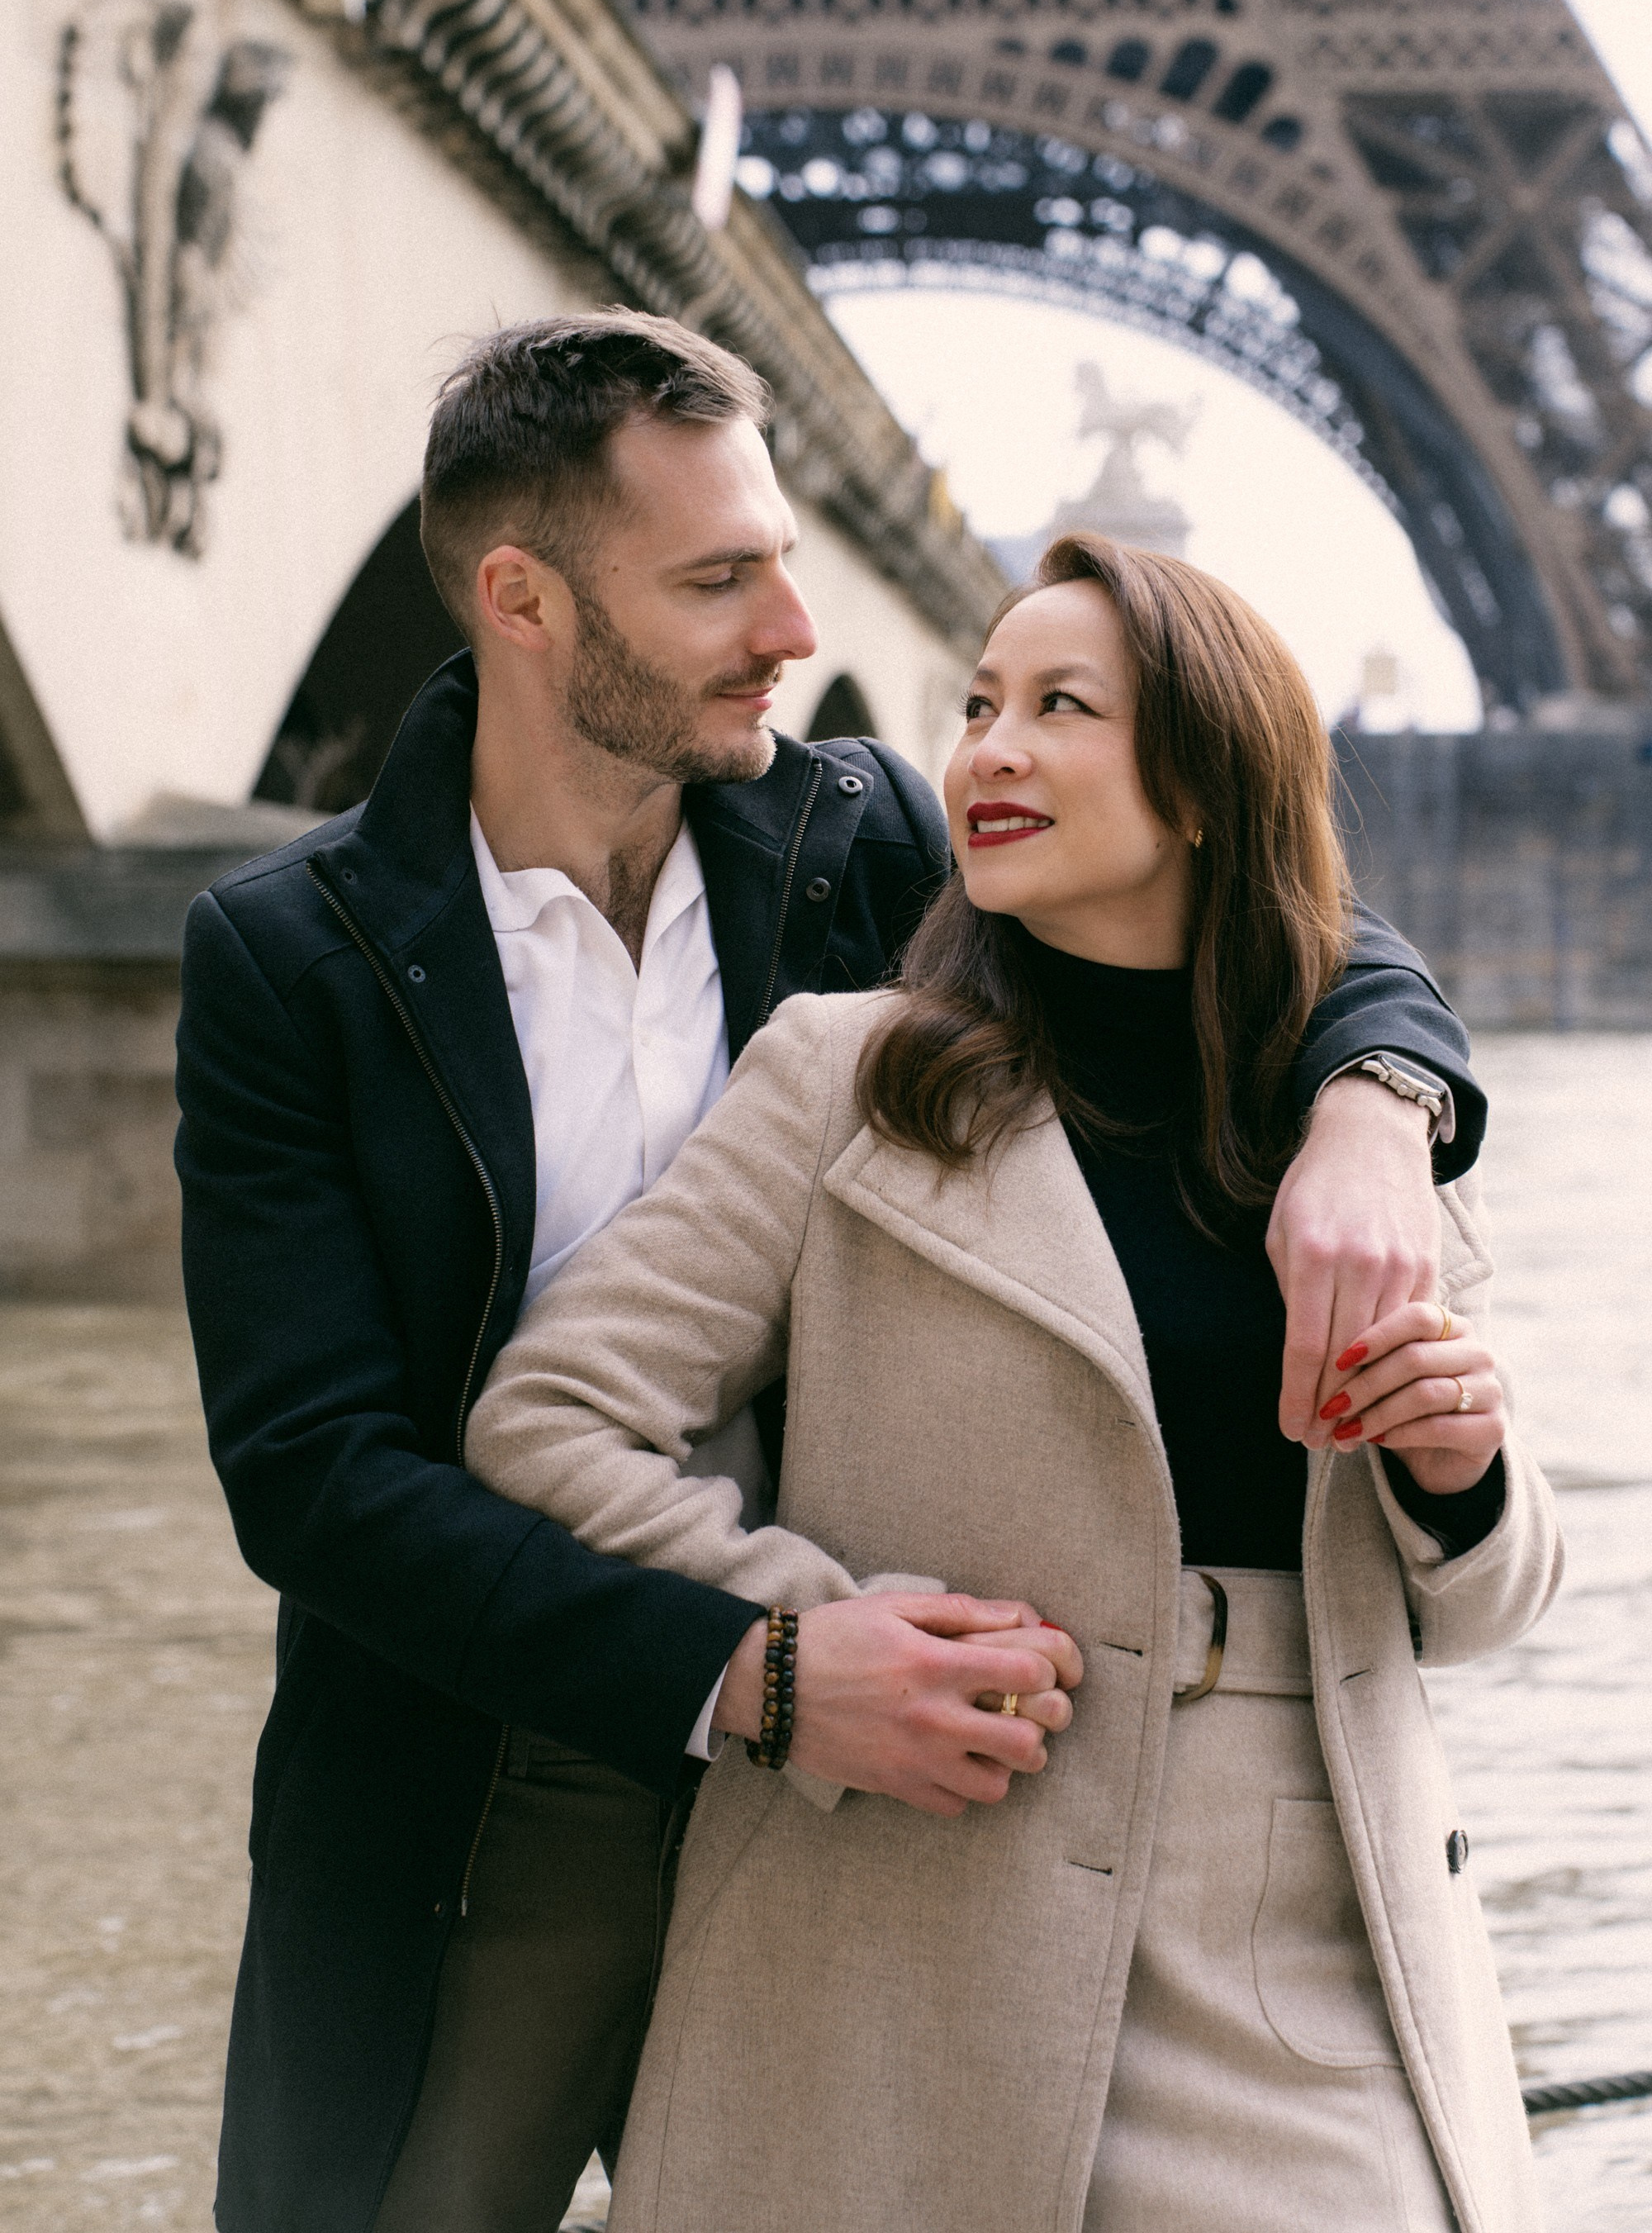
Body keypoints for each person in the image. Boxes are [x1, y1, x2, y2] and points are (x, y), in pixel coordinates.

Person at [175, 309, 1488, 2233]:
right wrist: (753, 1669)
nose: (793, 627)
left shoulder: (859, 839)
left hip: (918, 1787)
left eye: (787, 559)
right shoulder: (291, 959)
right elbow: (315, 1474)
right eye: (720, 579)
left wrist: (1380, 1098)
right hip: (507, 1778)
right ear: (526, 600)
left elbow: (1247, 900)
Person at [467, 534, 1562, 2233]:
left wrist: (1460, 1470)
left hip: (1304, 1934)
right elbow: (548, 1419)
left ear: (1204, 780)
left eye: (1061, 706)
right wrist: (791, 1645)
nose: (985, 749)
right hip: (918, 1893)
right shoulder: (844, 1075)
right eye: (978, 703)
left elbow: (1483, 1607)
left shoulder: (1363, 1133)